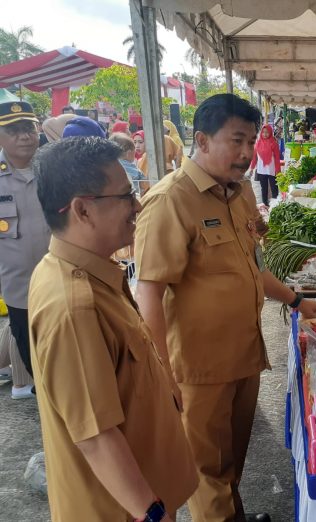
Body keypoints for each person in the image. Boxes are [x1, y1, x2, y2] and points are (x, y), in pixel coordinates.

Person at [134, 93, 316, 522]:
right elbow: (148, 292)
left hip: (242, 356)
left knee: (231, 462)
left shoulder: (237, 194)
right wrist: (161, 373)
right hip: (199, 370)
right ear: (201, 140)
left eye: (251, 141)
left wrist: (297, 300)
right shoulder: (170, 201)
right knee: (207, 473)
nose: (245, 153)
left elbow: (252, 267)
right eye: (236, 140)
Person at [30, 136, 199, 521]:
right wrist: (151, 513)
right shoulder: (75, 306)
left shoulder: (90, 274)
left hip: (144, 489)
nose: (137, 205)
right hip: (123, 509)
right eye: (124, 196)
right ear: (82, 210)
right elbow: (96, 436)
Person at [0, 100, 50, 399]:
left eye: (29, 128)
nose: (24, 136)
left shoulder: (55, 169)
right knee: (35, 364)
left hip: (64, 283)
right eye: (13, 130)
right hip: (20, 292)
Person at [249, 123, 281, 206]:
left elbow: (277, 158)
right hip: (261, 170)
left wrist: (278, 172)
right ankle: (265, 205)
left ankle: (275, 205)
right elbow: (254, 158)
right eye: (263, 132)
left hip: (272, 170)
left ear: (270, 132)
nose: (265, 134)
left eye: (267, 132)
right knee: (264, 189)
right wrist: (252, 168)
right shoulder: (258, 144)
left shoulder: (274, 143)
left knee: (274, 188)